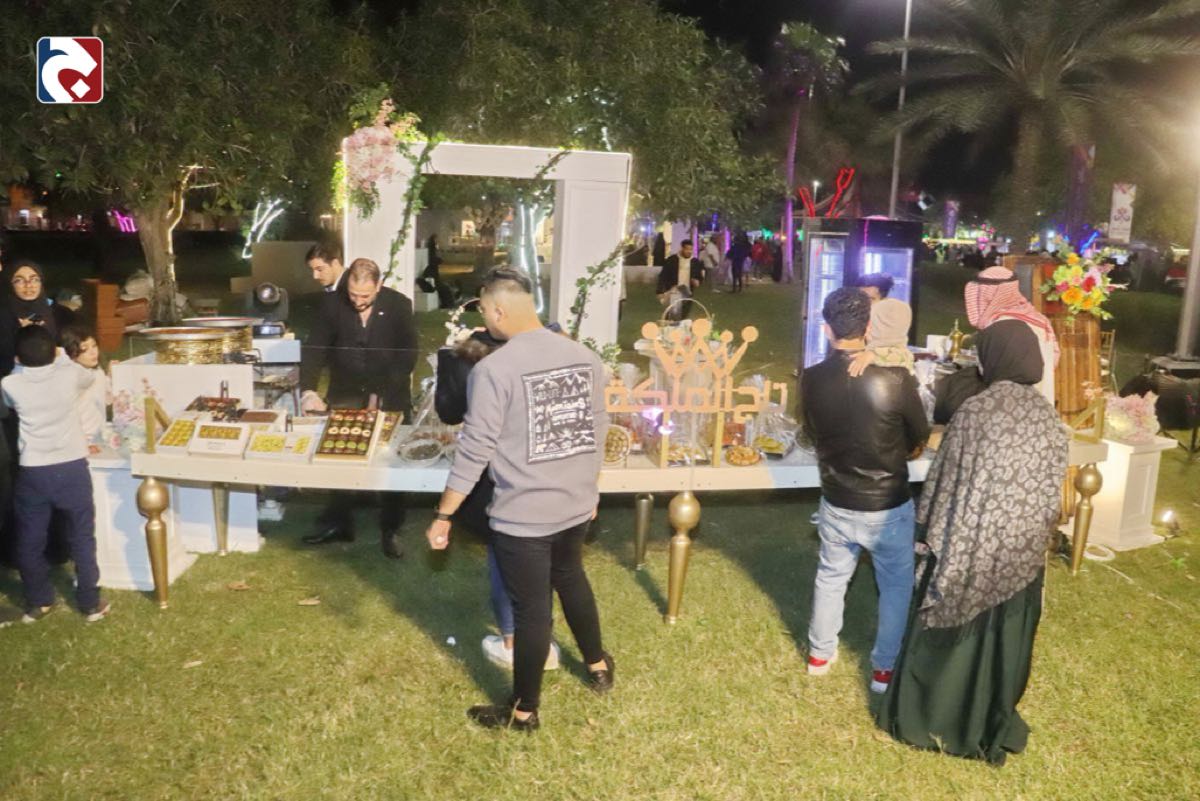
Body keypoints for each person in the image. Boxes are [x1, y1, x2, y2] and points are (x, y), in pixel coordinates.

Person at [426, 267, 612, 732]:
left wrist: (444, 514)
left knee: (531, 612)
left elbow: (475, 449)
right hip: (574, 504)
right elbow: (597, 429)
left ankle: (524, 712)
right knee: (571, 577)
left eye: (486, 312)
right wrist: (590, 488)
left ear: (497, 311)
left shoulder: (494, 369)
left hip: (523, 515)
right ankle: (597, 666)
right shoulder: (584, 356)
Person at [877, 321, 1067, 766]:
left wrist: (928, 526)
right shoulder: (1050, 418)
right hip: (1021, 556)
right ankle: (988, 716)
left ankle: (935, 717)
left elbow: (946, 478)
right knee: (1002, 639)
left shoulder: (977, 411)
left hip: (970, 548)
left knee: (953, 622)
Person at [801, 287, 930, 695]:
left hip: (837, 498)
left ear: (826, 329)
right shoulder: (895, 379)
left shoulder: (811, 379)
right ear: (869, 328)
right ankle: (883, 670)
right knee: (895, 585)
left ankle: (820, 655)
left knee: (831, 577)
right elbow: (920, 432)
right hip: (887, 503)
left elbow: (812, 430)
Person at [434, 317, 561, 672]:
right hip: (544, 472)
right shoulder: (547, 348)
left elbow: (450, 411)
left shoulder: (474, 358)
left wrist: (447, 356)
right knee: (541, 561)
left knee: (504, 558)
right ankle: (540, 642)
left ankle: (512, 642)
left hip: (500, 476)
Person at [300, 258, 417, 558]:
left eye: (365, 296)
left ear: (379, 285)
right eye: (353, 295)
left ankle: (391, 528)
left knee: (392, 460)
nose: (358, 301)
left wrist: (380, 394)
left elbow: (407, 356)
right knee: (339, 457)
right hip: (345, 391)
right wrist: (309, 391)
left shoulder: (399, 305)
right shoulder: (332, 305)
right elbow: (315, 349)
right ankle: (340, 522)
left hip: (391, 393)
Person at [0, 327, 108, 625]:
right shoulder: (69, 374)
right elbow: (87, 376)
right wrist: (60, 357)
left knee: (30, 539)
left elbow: (10, 402)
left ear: (18, 357)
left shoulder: (10, 383)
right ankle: (89, 602)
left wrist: (22, 364)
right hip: (72, 467)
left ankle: (39, 599)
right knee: (82, 536)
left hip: (34, 471)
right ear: (54, 352)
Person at [964, 266, 1058, 405]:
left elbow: (989, 371)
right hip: (1040, 400)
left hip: (1010, 404)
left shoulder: (1001, 326)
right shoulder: (1036, 317)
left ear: (988, 293)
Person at [0, 259, 77, 377]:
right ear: (10, 284)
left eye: (34, 279)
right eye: (19, 280)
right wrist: (21, 333)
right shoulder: (4, 314)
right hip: (13, 377)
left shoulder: (57, 313)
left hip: (53, 375)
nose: (28, 285)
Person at [60, 325, 107, 452]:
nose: (93, 352)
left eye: (94, 346)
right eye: (84, 349)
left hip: (100, 437)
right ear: (72, 354)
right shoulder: (71, 378)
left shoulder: (98, 371)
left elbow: (106, 399)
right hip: (80, 442)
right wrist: (82, 443)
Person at [655, 239, 703, 319]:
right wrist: (659, 291)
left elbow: (699, 276)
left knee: (684, 316)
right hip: (674, 291)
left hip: (688, 292)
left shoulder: (695, 262)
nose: (689, 251)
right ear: (682, 248)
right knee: (674, 314)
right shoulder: (672, 260)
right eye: (687, 249)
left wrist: (697, 281)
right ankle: (669, 324)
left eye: (691, 249)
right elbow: (663, 276)